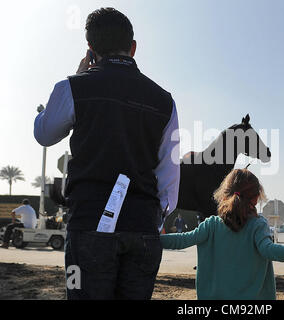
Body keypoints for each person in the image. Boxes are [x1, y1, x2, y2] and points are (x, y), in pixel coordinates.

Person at [34, 8, 180, 299]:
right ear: (133, 48)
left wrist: (78, 75)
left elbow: (44, 133)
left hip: (88, 224)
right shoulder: (165, 101)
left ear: (90, 50)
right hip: (142, 228)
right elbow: (169, 175)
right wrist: (153, 219)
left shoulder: (73, 87)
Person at [161, 169, 284, 300]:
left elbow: (181, 240)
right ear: (256, 198)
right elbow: (270, 251)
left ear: (224, 195)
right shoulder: (258, 225)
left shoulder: (211, 225)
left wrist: (153, 239)